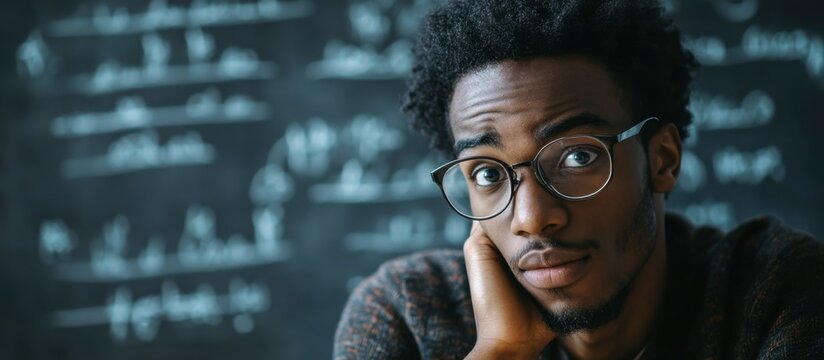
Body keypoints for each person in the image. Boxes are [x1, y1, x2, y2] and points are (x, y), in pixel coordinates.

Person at [333, 0, 824, 359]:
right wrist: (502, 352)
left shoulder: (776, 291)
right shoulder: (405, 312)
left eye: (577, 156)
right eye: (487, 173)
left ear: (662, 160)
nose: (532, 218)